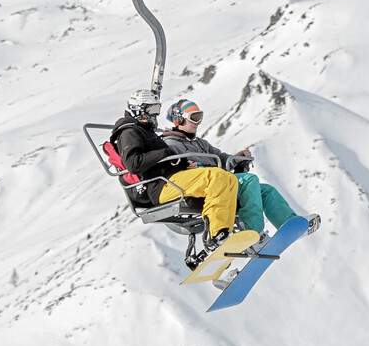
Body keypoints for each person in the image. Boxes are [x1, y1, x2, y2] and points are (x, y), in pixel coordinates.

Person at [159, 98, 320, 239]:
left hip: (221, 182)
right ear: (178, 120)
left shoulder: (199, 143)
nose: (198, 122)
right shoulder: (172, 144)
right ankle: (251, 231)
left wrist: (237, 158)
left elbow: (222, 158)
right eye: (194, 118)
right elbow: (182, 171)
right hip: (202, 188)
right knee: (249, 180)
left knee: (266, 191)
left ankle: (289, 225)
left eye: (199, 117)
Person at [110, 89, 241, 256]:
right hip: (160, 186)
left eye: (157, 109)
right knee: (216, 176)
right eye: (151, 110)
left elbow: (166, 159)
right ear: (138, 109)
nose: (155, 114)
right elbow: (133, 163)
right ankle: (215, 236)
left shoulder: (145, 130)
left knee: (228, 179)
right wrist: (165, 153)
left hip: (171, 179)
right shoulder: (129, 132)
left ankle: (223, 231)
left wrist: (185, 162)